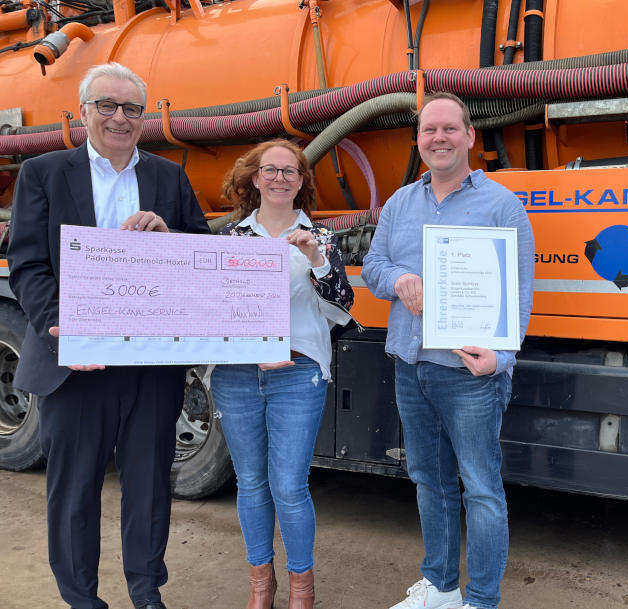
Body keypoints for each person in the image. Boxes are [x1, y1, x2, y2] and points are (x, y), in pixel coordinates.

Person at [6, 63, 210, 609]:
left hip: (151, 365)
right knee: (73, 492)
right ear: (83, 111)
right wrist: (66, 334)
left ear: (145, 117)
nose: (120, 117)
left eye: (132, 108)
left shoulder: (168, 177)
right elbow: (27, 266)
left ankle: (147, 593)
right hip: (74, 365)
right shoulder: (45, 173)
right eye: (107, 105)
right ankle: (82, 599)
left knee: (148, 487)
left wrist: (170, 237)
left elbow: (200, 255)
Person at [361, 92, 535, 609]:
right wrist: (400, 278)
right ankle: (440, 588)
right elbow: (373, 267)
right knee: (428, 482)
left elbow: (519, 293)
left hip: (468, 374)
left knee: (481, 489)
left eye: (449, 129)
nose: (438, 138)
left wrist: (501, 360)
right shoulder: (399, 203)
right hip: (411, 366)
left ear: (470, 137)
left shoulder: (502, 204)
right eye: (429, 130)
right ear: (418, 140)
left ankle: (480, 600)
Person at [211, 139, 354, 609]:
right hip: (237, 374)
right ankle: (260, 583)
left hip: (297, 371)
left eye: (289, 171)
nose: (279, 178)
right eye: (270, 170)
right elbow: (209, 310)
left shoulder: (322, 237)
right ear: (255, 178)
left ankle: (301, 587)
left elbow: (343, 304)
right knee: (250, 482)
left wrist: (314, 256)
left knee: (289, 486)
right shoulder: (231, 239)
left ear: (300, 182)